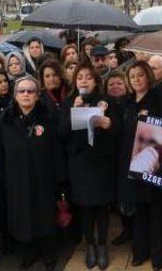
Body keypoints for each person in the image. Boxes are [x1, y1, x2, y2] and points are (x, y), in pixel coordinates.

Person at [58, 62, 119, 270]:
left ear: (96, 81)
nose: (84, 80)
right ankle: (90, 246)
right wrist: (74, 110)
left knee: (102, 207)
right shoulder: (68, 102)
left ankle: (102, 245)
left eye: (88, 77)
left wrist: (108, 124)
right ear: (75, 81)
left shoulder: (107, 101)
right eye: (80, 77)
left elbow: (118, 132)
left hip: (101, 163)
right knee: (84, 207)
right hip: (79, 163)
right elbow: (61, 133)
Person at [0, 76, 61, 270]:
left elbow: (56, 151)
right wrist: (2, 178)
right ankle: (28, 253)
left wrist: (59, 180)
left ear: (37, 95)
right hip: (17, 180)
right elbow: (0, 152)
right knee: (23, 218)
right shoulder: (4, 120)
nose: (26, 94)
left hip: (43, 178)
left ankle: (49, 253)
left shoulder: (48, 118)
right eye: (21, 91)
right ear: (15, 95)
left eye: (30, 91)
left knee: (45, 216)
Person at [116, 61, 162, 269]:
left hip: (152, 163)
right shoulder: (126, 102)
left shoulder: (161, 100)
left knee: (155, 211)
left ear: (148, 76)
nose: (136, 79)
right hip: (129, 162)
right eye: (132, 76)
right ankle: (140, 251)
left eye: (140, 75)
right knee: (137, 211)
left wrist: (151, 121)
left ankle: (158, 255)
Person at [38, 59, 68, 124]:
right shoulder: (40, 99)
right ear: (42, 79)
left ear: (60, 75)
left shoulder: (71, 91)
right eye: (47, 76)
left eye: (55, 75)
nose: (51, 79)